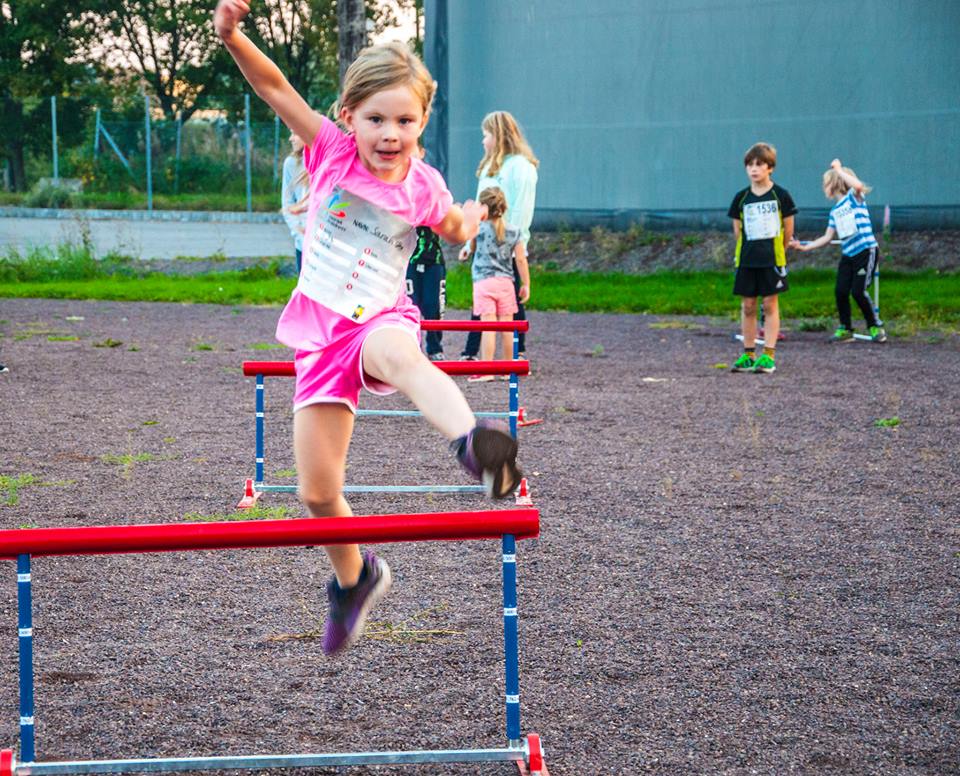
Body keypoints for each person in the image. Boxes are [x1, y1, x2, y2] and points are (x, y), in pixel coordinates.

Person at [214, 0, 522, 656]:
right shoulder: (329, 151)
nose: (390, 134)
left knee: (404, 358)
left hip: (379, 317)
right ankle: (356, 579)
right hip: (321, 338)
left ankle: (474, 444)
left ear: (422, 122)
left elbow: (455, 226)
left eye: (405, 121)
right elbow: (273, 86)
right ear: (349, 117)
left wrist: (467, 218)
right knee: (316, 491)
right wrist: (233, 36)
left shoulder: (425, 184)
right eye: (376, 119)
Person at [460, 112, 538, 361]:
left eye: (486, 135)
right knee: (484, 300)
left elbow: (521, 209)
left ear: (498, 135)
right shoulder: (490, 167)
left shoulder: (520, 168)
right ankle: (475, 352)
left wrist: (517, 243)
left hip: (506, 242)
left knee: (509, 302)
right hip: (483, 239)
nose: (483, 141)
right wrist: (469, 239)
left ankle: (515, 351)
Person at [790, 159, 886, 343]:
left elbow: (858, 185)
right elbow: (827, 237)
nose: (823, 188)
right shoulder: (834, 212)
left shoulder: (854, 199)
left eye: (825, 183)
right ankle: (846, 329)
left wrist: (839, 170)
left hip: (865, 252)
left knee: (858, 291)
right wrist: (803, 245)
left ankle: (875, 326)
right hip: (848, 256)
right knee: (840, 291)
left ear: (835, 183)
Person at [728, 142, 796, 374]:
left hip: (772, 260)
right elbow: (737, 231)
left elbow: (788, 229)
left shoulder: (781, 196)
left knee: (769, 303)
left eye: (759, 164)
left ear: (770, 168)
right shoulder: (741, 198)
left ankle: (768, 354)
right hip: (747, 260)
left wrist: (780, 252)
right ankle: (748, 353)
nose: (754, 169)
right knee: (748, 305)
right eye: (750, 165)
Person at [460, 187, 531, 382]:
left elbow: (472, 247)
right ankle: (508, 369)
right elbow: (521, 260)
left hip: (483, 282)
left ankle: (487, 369)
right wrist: (526, 283)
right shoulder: (514, 231)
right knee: (507, 327)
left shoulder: (478, 228)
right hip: (506, 282)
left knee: (488, 326)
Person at [406, 147, 447, 360]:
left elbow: (443, 216)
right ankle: (411, 347)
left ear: (421, 152)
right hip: (408, 260)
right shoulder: (397, 185)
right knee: (409, 305)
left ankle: (435, 348)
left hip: (433, 260)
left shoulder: (431, 182)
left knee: (433, 306)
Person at [281, 133, 309, 276]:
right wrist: (299, 236)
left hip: (328, 247)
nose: (290, 138)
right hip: (303, 246)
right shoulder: (291, 163)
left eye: (295, 133)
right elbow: (287, 204)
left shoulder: (331, 162)